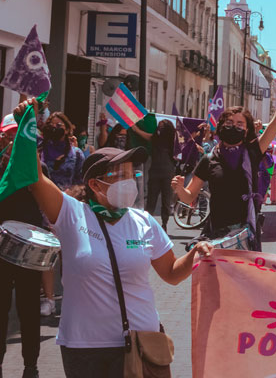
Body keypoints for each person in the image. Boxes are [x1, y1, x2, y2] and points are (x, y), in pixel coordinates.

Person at [23, 134, 213, 378]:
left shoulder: (143, 221)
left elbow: (171, 273)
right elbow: (35, 177)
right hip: (84, 349)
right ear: (95, 184)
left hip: (141, 342)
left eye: (131, 174)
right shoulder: (71, 214)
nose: (129, 182)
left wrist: (195, 253)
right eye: (119, 175)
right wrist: (27, 127)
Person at [172, 76, 276, 248]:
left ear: (247, 130)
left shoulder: (253, 152)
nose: (234, 127)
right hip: (216, 235)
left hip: (246, 234)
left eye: (240, 124)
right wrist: (180, 189)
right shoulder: (209, 160)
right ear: (221, 125)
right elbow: (189, 196)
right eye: (230, 122)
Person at [0, 113, 45, 377]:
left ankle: (31, 365)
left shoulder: (36, 168)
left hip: (29, 248)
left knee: (29, 309)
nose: (13, 138)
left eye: (18, 134)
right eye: (9, 133)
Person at [38, 111, 84, 319]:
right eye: (52, 124)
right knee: (46, 257)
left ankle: (71, 297)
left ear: (67, 129)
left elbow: (81, 182)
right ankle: (48, 299)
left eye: (59, 125)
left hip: (67, 210)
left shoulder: (76, 155)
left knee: (69, 256)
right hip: (42, 210)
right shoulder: (40, 151)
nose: (55, 128)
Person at [144, 120, 177, 227]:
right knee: (152, 200)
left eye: (162, 126)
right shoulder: (155, 139)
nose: (160, 128)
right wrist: (135, 129)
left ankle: (164, 223)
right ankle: (150, 223)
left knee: (164, 200)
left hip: (164, 173)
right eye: (159, 126)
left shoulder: (173, 141)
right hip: (159, 173)